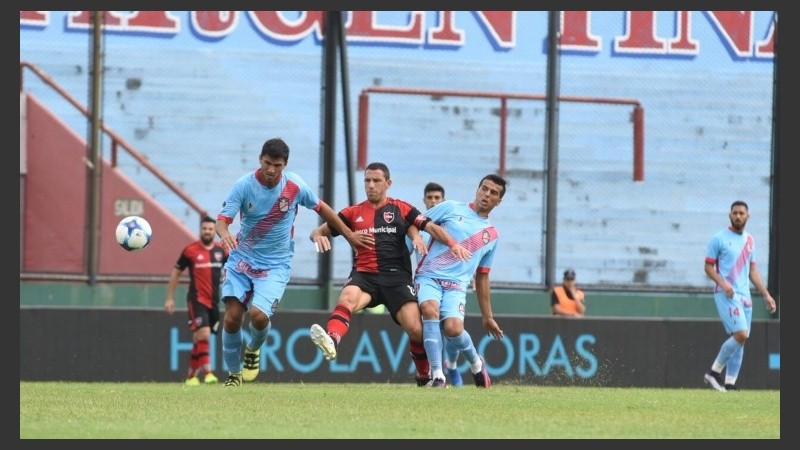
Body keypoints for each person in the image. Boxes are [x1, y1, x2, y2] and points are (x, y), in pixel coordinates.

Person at [215, 137, 371, 387]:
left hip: (275, 265)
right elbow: (222, 221)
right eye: (267, 163)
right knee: (233, 317)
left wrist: (349, 234)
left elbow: (324, 209)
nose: (270, 170)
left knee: (258, 317)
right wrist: (224, 234)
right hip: (242, 260)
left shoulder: (295, 186)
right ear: (260, 159)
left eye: (277, 165)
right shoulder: (243, 186)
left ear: (284, 164)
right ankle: (234, 375)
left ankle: (253, 349)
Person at [308, 162, 470, 387]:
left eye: (376, 181)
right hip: (365, 276)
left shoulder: (402, 208)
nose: (371, 185)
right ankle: (332, 339)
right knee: (346, 298)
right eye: (367, 180)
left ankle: (424, 375)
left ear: (388, 183)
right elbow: (319, 230)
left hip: (397, 279)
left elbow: (429, 227)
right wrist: (317, 235)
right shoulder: (353, 212)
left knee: (415, 328)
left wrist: (452, 243)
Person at [415, 173, 507, 388]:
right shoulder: (450, 208)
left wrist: (487, 317)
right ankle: (437, 375)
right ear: (477, 189)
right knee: (429, 310)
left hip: (456, 286)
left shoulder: (491, 235)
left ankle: (476, 364)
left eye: (493, 193)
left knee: (454, 329)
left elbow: (483, 275)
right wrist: (416, 238)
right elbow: (415, 221)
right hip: (428, 276)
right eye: (484, 188)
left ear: (498, 201)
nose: (486, 194)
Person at [702, 200, 776, 392]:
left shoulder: (749, 240)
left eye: (741, 213)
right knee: (740, 334)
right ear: (730, 215)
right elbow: (708, 267)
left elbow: (753, 271)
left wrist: (766, 295)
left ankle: (730, 384)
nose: (738, 216)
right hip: (726, 293)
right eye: (735, 213)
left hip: (744, 296)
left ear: (747, 216)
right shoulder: (718, 239)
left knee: (741, 340)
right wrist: (723, 283)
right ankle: (713, 373)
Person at [405, 181, 464, 387]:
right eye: (429, 198)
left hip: (452, 284)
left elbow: (465, 253)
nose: (433, 201)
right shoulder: (416, 229)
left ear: (443, 200)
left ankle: (453, 365)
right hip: (426, 283)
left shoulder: (451, 226)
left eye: (437, 198)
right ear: (424, 200)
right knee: (429, 323)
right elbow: (405, 253)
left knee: (453, 330)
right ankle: (436, 372)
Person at [165, 216, 229, 385]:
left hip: (214, 301)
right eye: (204, 229)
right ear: (200, 230)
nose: (207, 231)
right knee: (204, 335)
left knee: (198, 340)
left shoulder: (221, 251)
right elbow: (176, 272)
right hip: (196, 300)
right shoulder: (190, 250)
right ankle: (208, 373)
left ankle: (191, 377)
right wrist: (170, 298)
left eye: (210, 229)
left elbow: (234, 266)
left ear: (214, 231)